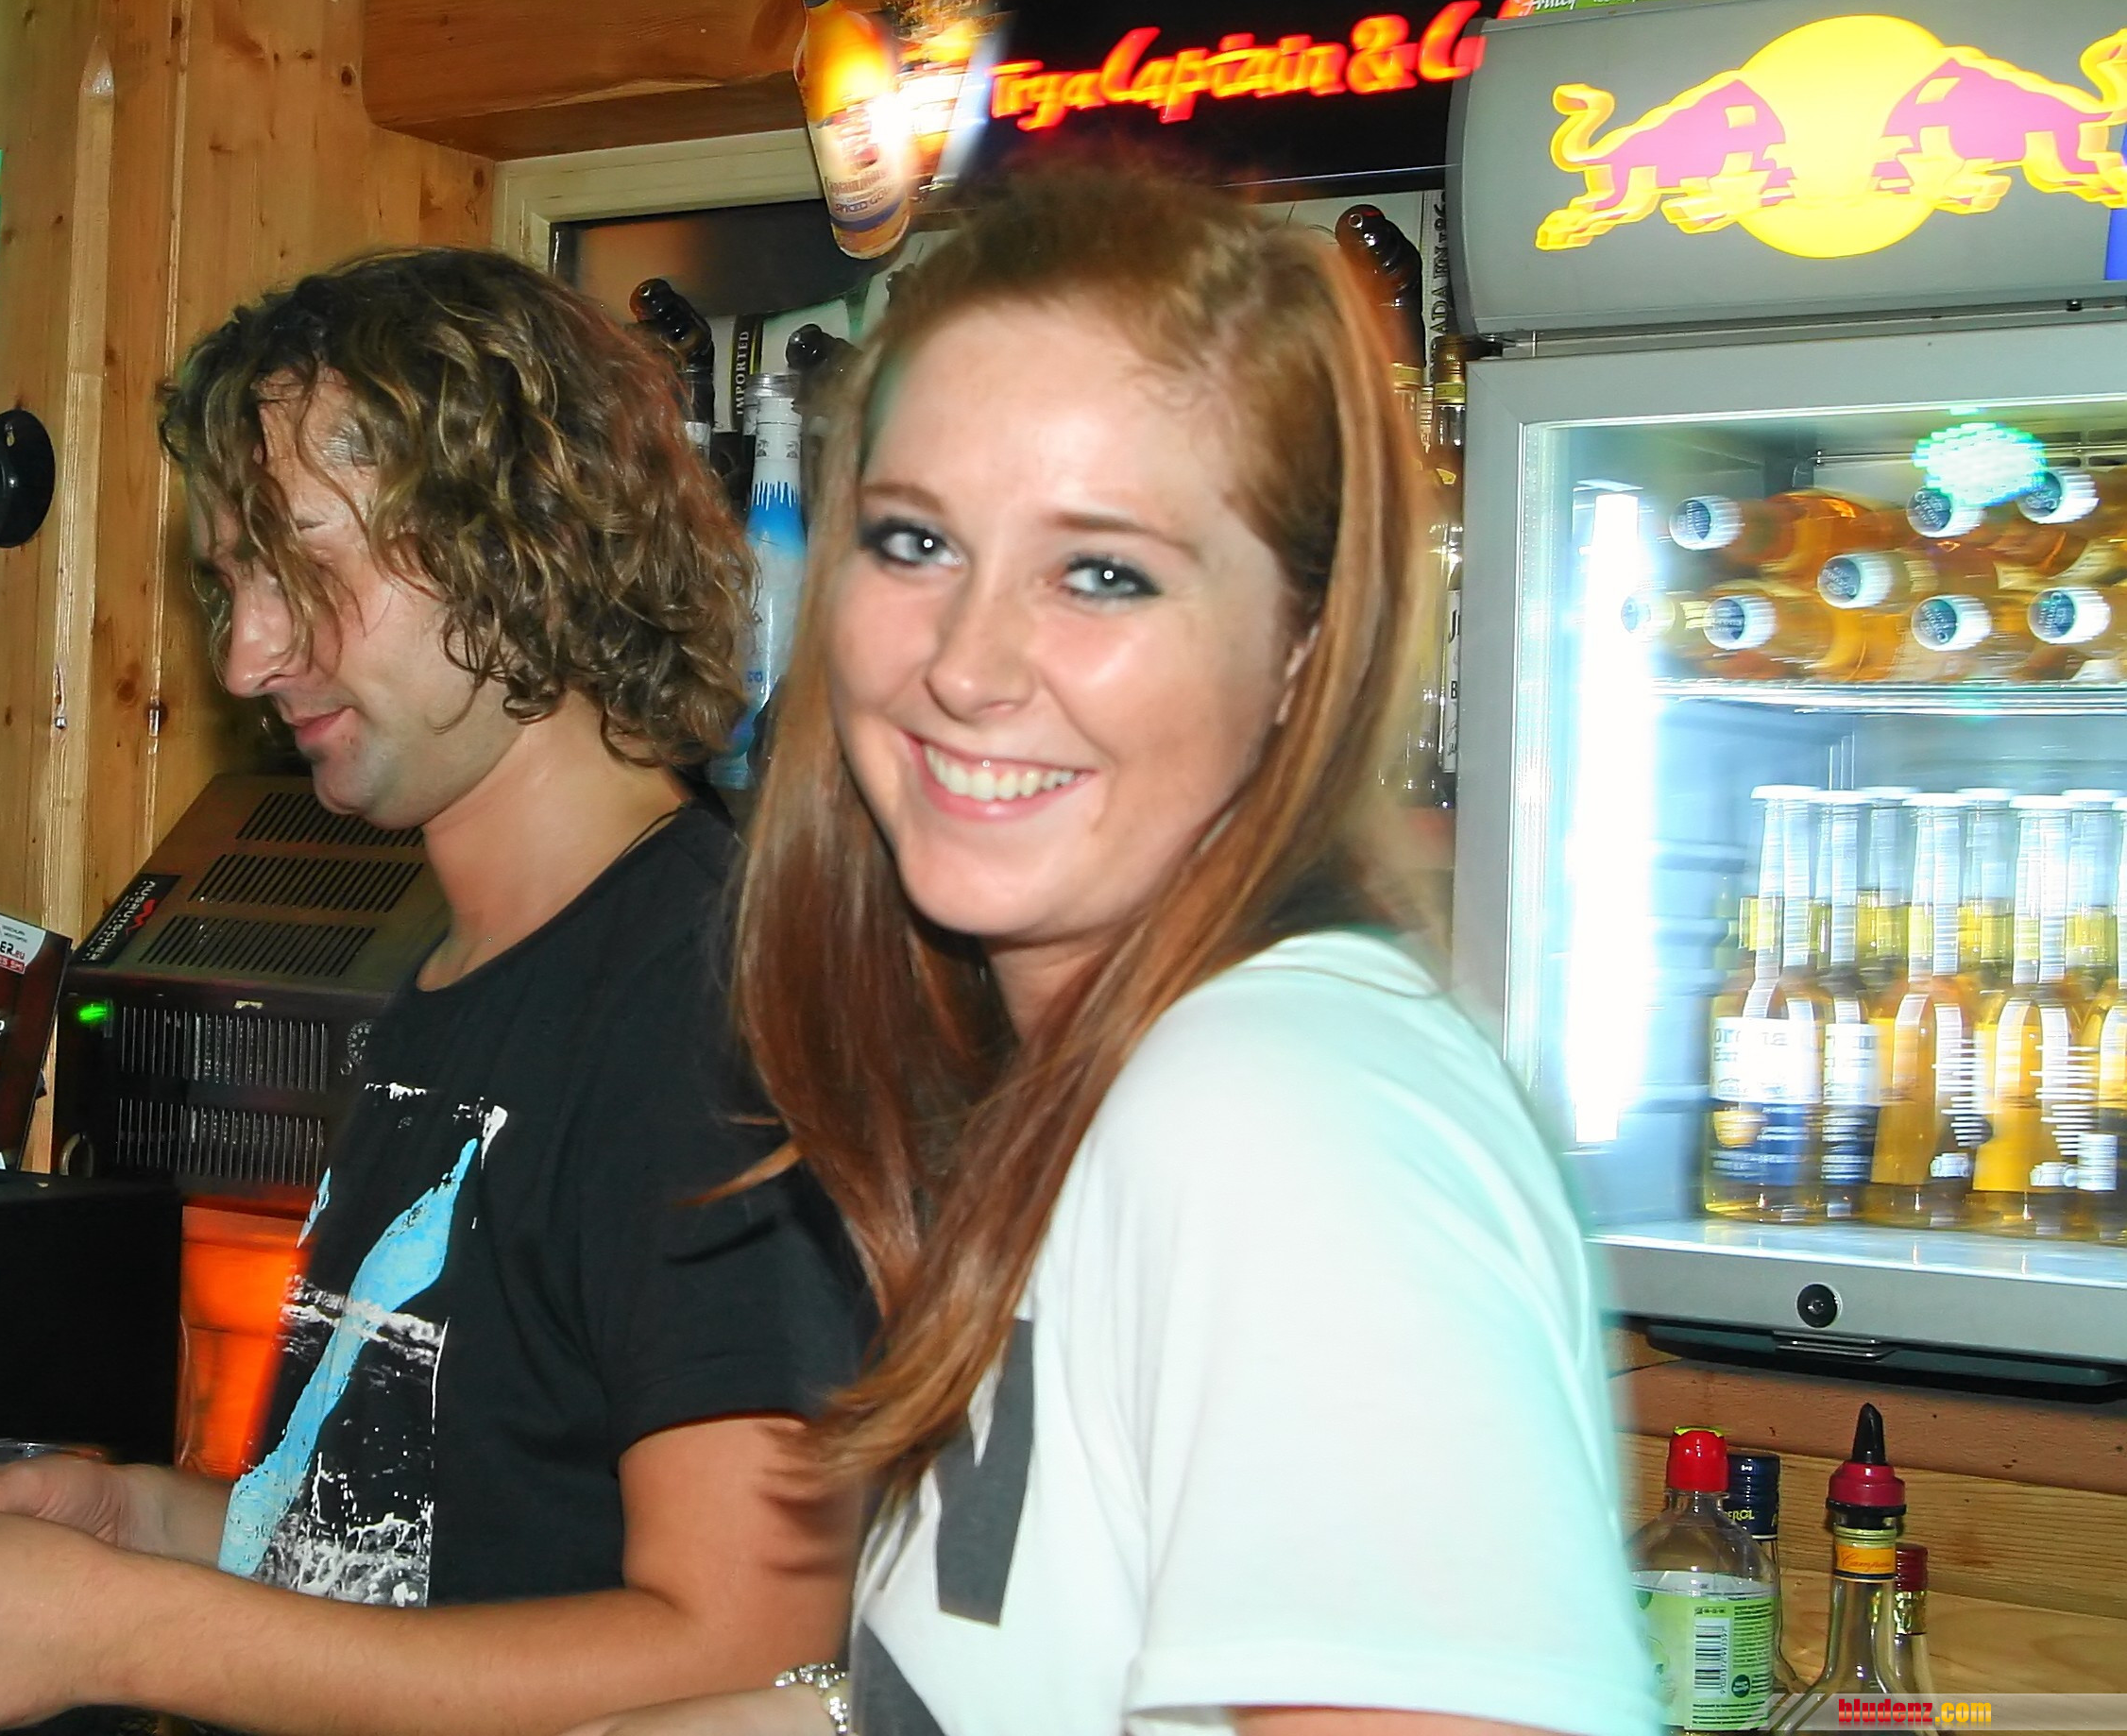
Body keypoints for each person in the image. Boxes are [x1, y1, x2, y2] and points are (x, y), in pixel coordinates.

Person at [582, 170, 1654, 1736]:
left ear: (1301, 645)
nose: (968, 664)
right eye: (914, 540)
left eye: (1103, 572)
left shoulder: (1279, 1113)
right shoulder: (1090, 1089)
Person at [0, 248, 874, 1735]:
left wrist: (127, 1635)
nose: (249, 655)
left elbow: (753, 1650)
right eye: (233, 585)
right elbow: (398, 1548)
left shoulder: (706, 1008)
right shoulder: (460, 977)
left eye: (303, 571)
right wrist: (131, 1523)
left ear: (520, 537)